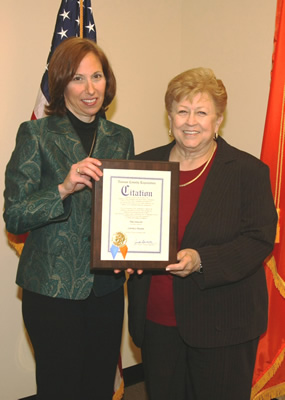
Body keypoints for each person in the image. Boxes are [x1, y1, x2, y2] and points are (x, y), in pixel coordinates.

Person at [127, 67, 277, 400]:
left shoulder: (247, 172)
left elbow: (258, 239)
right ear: (170, 117)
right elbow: (126, 230)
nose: (190, 120)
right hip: (157, 321)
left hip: (223, 324)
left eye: (201, 112)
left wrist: (201, 260)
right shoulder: (141, 167)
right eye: (182, 111)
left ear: (218, 120)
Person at [4, 37, 134, 400]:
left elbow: (126, 212)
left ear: (108, 81)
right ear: (61, 83)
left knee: (97, 387)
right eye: (78, 78)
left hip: (106, 289)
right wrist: (61, 188)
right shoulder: (36, 134)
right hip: (52, 290)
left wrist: (137, 250)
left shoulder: (120, 137)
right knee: (59, 388)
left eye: (97, 76)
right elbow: (14, 215)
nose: (90, 89)